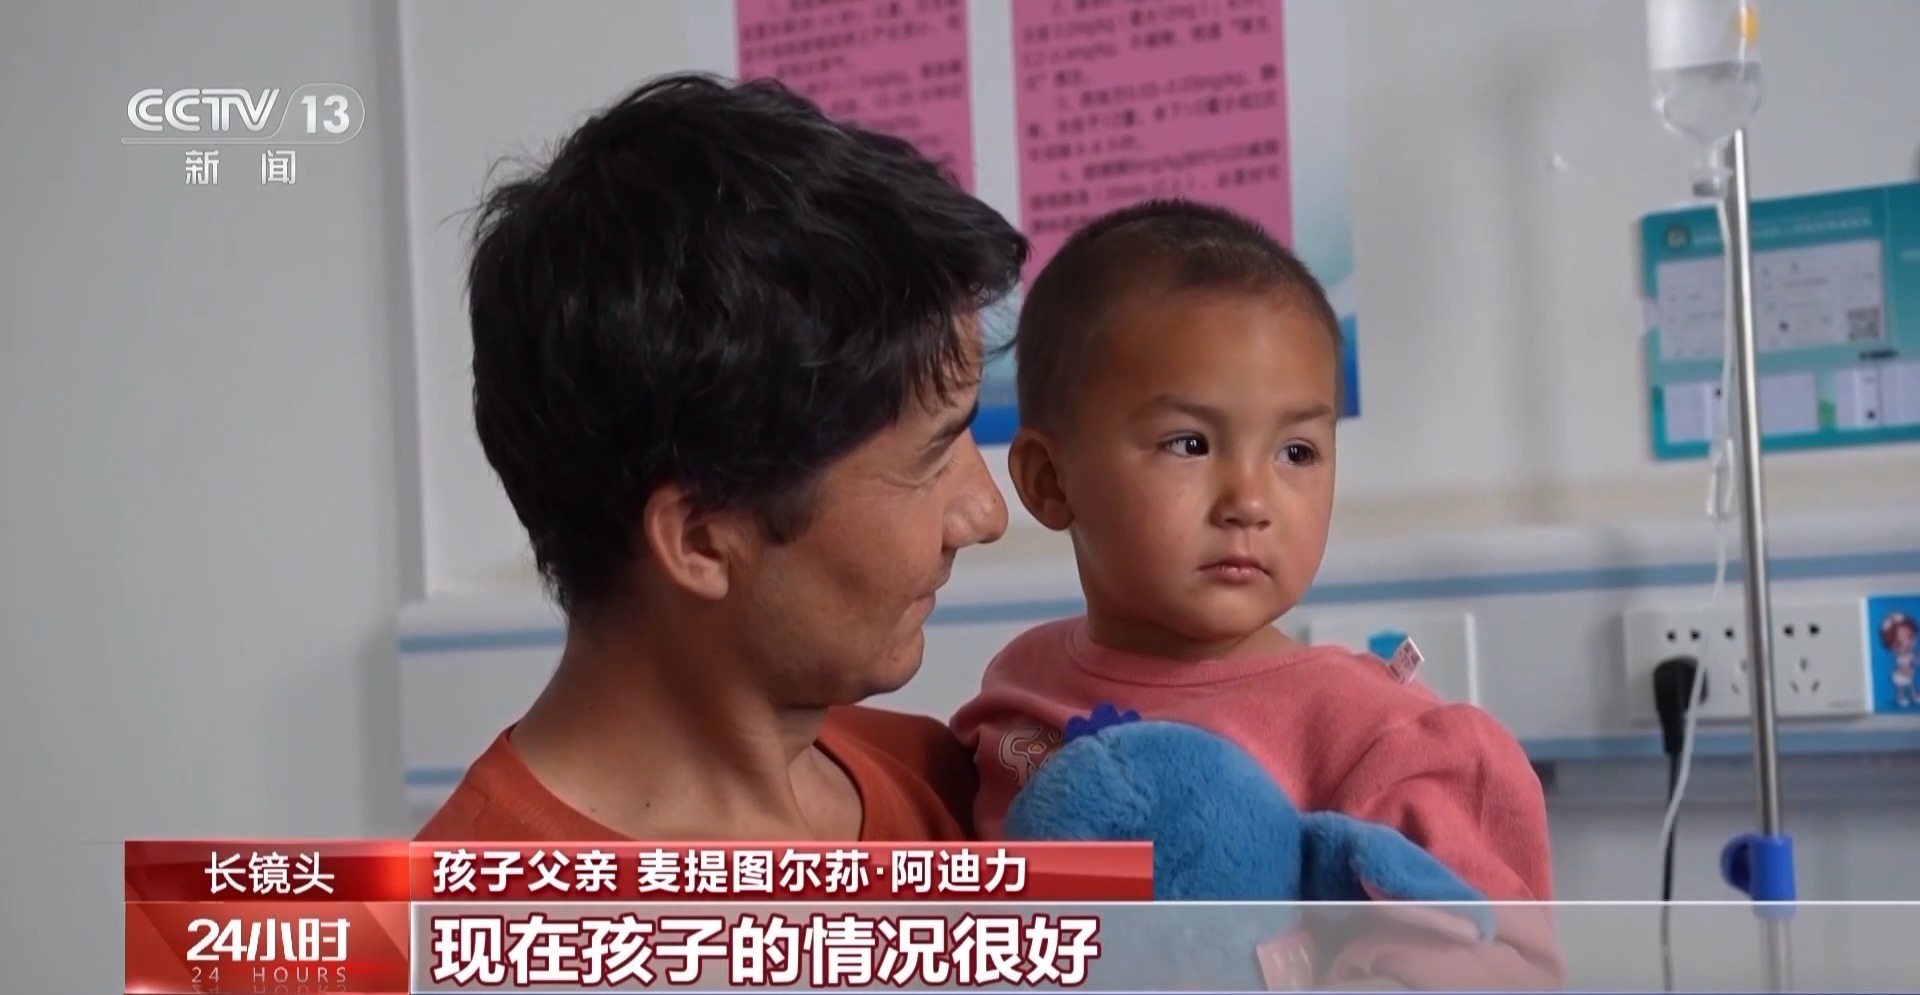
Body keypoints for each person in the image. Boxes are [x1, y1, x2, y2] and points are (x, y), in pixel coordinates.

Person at [948, 199, 1562, 986]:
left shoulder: (1384, 738)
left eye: (1297, 451)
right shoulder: (1018, 683)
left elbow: (1506, 965)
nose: (1250, 498)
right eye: (1189, 443)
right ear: (1048, 479)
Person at [416, 72, 1029, 842]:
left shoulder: (973, 790)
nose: (985, 513)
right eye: (933, 457)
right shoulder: (452, 914)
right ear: (702, 539)